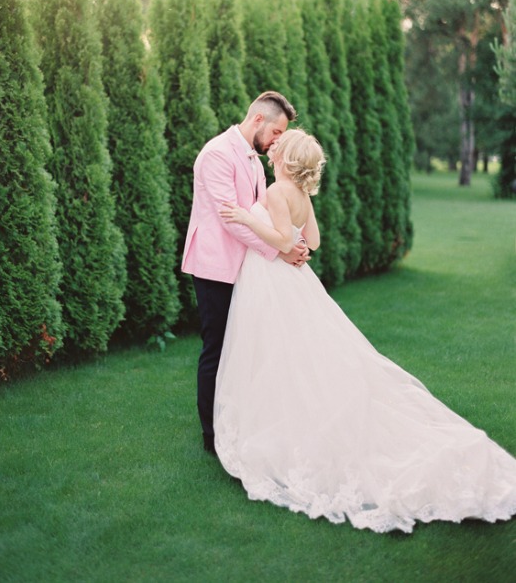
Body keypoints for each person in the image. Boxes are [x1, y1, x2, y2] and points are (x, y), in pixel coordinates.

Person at [215, 128, 516, 534]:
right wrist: (295, 241)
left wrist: (246, 217)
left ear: (285, 161)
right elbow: (313, 240)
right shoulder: (302, 195)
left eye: (279, 149)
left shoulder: (274, 193)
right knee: (299, 352)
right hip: (297, 280)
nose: (273, 151)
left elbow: (282, 238)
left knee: (274, 351)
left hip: (271, 277)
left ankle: (278, 423)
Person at [182, 91, 304, 455]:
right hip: (215, 267)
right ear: (257, 121)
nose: (278, 141)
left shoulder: (253, 157)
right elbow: (231, 219)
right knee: (217, 348)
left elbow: (257, 212)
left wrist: (289, 239)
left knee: (244, 348)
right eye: (277, 132)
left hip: (247, 266)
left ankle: (238, 420)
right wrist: (281, 250)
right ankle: (211, 436)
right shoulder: (217, 154)